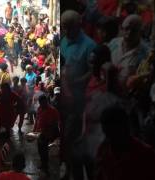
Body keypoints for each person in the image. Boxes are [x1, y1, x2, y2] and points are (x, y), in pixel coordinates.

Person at [60, 10, 96, 180]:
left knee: (80, 144)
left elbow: (93, 71)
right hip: (66, 102)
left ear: (78, 25)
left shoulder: (89, 45)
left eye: (69, 28)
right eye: (63, 28)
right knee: (69, 143)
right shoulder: (64, 42)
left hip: (82, 104)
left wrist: (77, 81)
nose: (66, 32)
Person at [96, 105, 155, 180]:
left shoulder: (147, 155)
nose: (110, 138)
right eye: (108, 133)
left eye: (115, 131)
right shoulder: (103, 151)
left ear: (126, 127)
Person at [108, 14, 149, 96]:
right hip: (108, 93)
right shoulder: (113, 43)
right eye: (126, 29)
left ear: (141, 32)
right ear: (121, 29)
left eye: (134, 30)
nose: (129, 33)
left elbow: (144, 80)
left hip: (127, 99)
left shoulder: (146, 54)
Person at [33, 95, 60, 175]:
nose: (42, 105)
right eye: (41, 103)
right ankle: (43, 164)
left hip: (48, 134)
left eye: (44, 103)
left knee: (45, 151)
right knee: (40, 150)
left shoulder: (53, 111)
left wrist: (48, 133)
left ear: (47, 102)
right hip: (39, 133)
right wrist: (34, 131)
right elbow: (37, 120)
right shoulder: (39, 109)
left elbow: (55, 124)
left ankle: (46, 168)